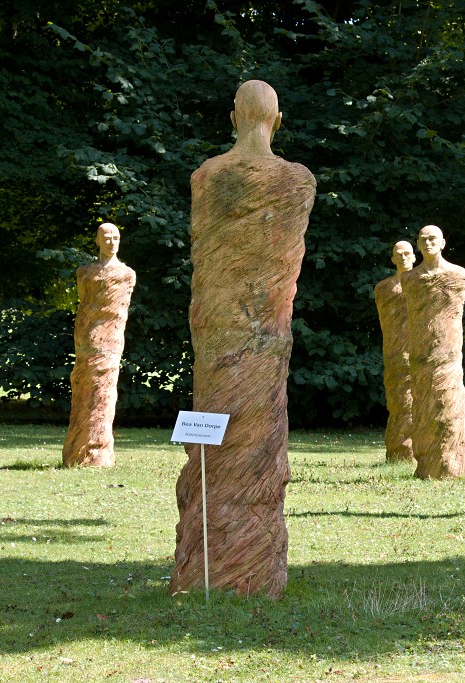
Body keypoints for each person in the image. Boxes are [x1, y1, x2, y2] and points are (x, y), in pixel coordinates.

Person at [172, 80, 316, 599]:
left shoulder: (206, 178)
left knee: (224, 445)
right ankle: (244, 568)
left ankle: (221, 565)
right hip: (264, 340)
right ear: (277, 120)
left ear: (233, 117)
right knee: (252, 440)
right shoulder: (297, 182)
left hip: (215, 340)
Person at [400, 225, 465, 479]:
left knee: (448, 408)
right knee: (423, 408)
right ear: (418, 245)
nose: (428, 243)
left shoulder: (457, 275)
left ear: (443, 243)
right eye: (423, 239)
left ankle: (454, 465)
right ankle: (428, 465)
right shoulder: (410, 280)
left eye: (433, 239)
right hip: (420, 356)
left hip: (448, 356)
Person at [62, 222, 136, 468]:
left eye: (116, 237)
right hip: (85, 338)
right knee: (83, 388)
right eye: (106, 237)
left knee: (103, 392)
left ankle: (98, 452)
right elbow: (85, 307)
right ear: (97, 240)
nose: (111, 242)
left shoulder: (126, 274)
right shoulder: (85, 273)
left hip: (111, 340)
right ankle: (77, 451)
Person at [374, 240, 416, 462]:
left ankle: (419, 450)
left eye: (407, 253)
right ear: (392, 259)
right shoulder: (384, 289)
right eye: (398, 254)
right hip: (395, 354)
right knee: (399, 402)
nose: (403, 257)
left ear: (414, 256)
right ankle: (399, 453)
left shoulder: (423, 285)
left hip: (420, 352)